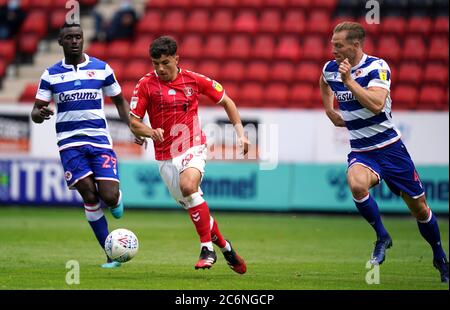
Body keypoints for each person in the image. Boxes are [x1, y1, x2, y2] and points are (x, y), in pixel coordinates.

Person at [319, 21, 449, 283]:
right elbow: (323, 81)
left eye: (338, 45)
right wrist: (330, 111)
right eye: (332, 44)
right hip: (362, 151)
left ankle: (439, 256)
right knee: (355, 184)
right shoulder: (331, 69)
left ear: (355, 45)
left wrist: (349, 81)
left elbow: (377, 104)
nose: (333, 49)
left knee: (420, 210)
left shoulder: (377, 67)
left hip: (391, 150)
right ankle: (382, 235)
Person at [129, 36, 248, 274]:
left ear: (176, 58)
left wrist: (241, 133)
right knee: (194, 204)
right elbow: (134, 122)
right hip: (164, 157)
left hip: (192, 144)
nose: (160, 68)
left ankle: (207, 249)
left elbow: (228, 102)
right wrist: (149, 131)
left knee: (188, 185)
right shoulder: (145, 85)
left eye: (165, 62)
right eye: (155, 63)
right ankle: (226, 248)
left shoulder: (194, 80)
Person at [31, 23, 144, 269]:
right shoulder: (50, 74)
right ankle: (111, 254)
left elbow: (120, 102)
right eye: (69, 37)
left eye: (78, 37)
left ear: (83, 40)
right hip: (69, 144)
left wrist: (134, 126)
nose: (74, 41)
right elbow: (35, 112)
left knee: (109, 195)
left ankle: (116, 201)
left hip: (100, 141)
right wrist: (40, 113)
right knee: (88, 194)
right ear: (60, 42)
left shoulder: (101, 69)